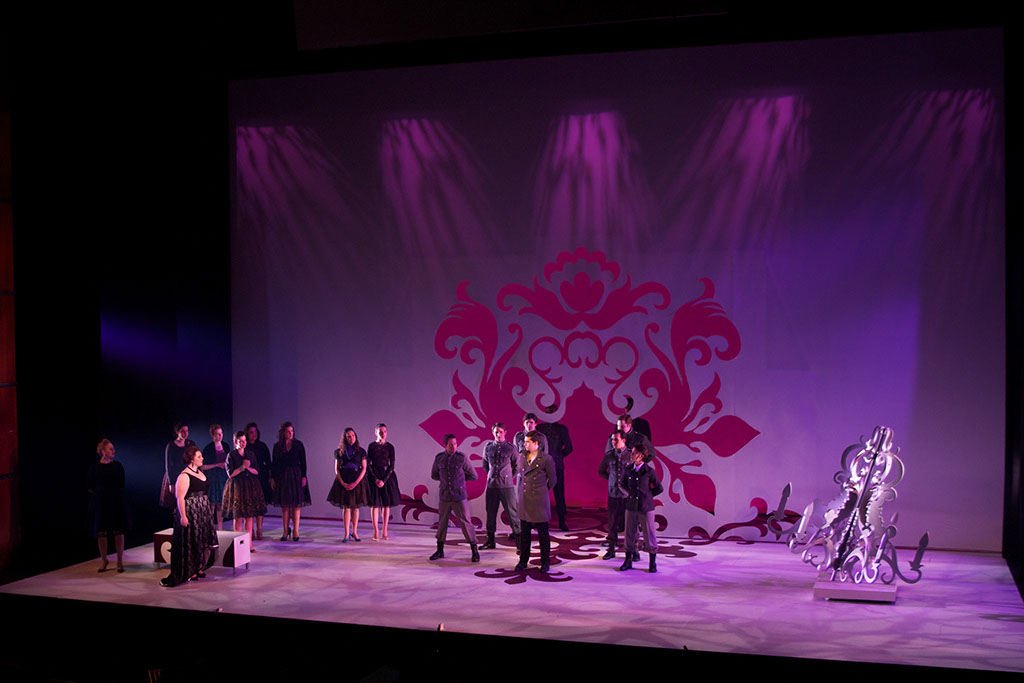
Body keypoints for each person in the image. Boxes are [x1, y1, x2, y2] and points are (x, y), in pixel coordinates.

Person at [161, 445, 217, 587]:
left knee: (200, 540)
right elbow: (180, 498)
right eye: (199, 456)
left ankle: (198, 567)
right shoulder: (184, 476)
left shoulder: (199, 472)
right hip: (191, 511)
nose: (202, 458)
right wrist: (183, 516)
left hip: (202, 511)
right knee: (191, 541)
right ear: (191, 459)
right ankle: (189, 570)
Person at [429, 434, 479, 562]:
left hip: (459, 496)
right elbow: (434, 475)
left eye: (455, 444)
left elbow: (474, 475)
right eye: (451, 445)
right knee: (442, 524)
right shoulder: (439, 458)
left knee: (466, 523)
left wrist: (460, 480)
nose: (454, 447)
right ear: (445, 445)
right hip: (445, 496)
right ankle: (440, 550)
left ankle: (474, 550)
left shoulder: (462, 458)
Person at [514, 430, 557, 573]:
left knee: (543, 534)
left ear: (536, 443)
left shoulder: (546, 459)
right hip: (525, 499)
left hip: (539, 501)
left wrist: (542, 491)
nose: (524, 444)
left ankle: (545, 561)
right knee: (524, 533)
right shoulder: (522, 456)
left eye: (527, 442)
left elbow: (553, 480)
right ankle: (523, 560)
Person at [618, 442, 662, 573]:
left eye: (635, 453)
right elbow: (622, 484)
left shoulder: (649, 471)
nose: (632, 455)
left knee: (649, 534)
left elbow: (659, 488)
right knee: (629, 533)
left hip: (646, 507)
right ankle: (628, 560)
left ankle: (652, 562)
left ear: (642, 456)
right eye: (632, 453)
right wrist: (630, 494)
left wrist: (647, 496)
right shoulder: (628, 470)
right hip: (631, 506)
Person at [87, 439, 130, 573]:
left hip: (116, 501)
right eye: (110, 449)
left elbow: (122, 484)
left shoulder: (117, 466)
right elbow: (90, 486)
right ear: (103, 451)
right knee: (102, 532)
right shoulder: (94, 468)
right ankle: (104, 560)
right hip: (101, 502)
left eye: (113, 448)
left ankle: (119, 561)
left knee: (118, 531)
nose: (113, 451)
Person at [222, 431, 268, 547]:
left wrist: (248, 468)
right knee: (238, 516)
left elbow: (256, 471)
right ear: (235, 442)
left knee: (249, 516)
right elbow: (230, 474)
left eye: (244, 441)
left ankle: (249, 544)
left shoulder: (250, 454)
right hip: (237, 486)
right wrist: (242, 467)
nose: (243, 443)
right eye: (241, 441)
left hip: (249, 486)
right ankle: (237, 545)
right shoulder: (231, 455)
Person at [480, 422, 520, 549]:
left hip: (506, 487)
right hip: (492, 486)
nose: (498, 434)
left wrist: (508, 478)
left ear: (505, 432)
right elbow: (485, 464)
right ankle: (490, 541)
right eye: (496, 432)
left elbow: (517, 466)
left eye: (501, 432)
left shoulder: (511, 448)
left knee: (512, 514)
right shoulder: (488, 447)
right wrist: (491, 475)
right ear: (493, 433)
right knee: (490, 513)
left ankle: (520, 543)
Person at [271, 421, 311, 541]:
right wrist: (272, 478)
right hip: (283, 476)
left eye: (292, 431)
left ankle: (296, 531)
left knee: (296, 505)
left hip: (296, 476)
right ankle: (285, 530)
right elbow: (274, 464)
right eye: (288, 431)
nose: (290, 433)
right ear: (283, 432)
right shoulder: (277, 446)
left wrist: (304, 476)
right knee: (285, 505)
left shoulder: (298, 445)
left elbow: (303, 462)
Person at [326, 428, 368, 542]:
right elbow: (337, 469)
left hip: (356, 479)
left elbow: (364, 468)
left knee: (355, 507)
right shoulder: (339, 452)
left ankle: (354, 532)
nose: (351, 438)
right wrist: (342, 482)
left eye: (353, 435)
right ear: (345, 438)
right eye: (349, 436)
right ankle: (346, 533)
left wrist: (356, 482)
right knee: (346, 507)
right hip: (344, 479)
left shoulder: (361, 451)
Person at [598, 429, 629, 560]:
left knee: (630, 523)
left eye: (616, 440)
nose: (613, 442)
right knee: (612, 523)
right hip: (613, 494)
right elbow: (601, 471)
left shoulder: (631, 455)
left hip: (627, 495)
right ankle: (611, 549)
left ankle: (633, 550)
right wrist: (612, 480)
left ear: (623, 440)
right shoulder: (609, 455)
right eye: (612, 440)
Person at [366, 424, 401, 541]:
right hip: (374, 476)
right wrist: (375, 479)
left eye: (385, 431)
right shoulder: (371, 446)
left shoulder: (390, 447)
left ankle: (384, 529)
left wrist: (384, 480)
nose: (383, 434)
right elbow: (368, 464)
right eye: (380, 431)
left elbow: (392, 465)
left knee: (386, 504)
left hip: (387, 477)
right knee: (375, 504)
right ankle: (376, 530)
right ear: (376, 433)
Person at [537, 417, 573, 530]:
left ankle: (562, 520)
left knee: (559, 494)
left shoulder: (561, 429)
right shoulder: (540, 428)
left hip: (557, 466)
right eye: (547, 411)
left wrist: (558, 456)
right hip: (542, 466)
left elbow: (569, 448)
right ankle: (538, 520)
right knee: (540, 494)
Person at [245, 422, 273, 540]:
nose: (254, 434)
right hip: (248, 478)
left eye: (255, 432)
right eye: (251, 432)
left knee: (260, 504)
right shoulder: (245, 447)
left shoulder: (262, 446)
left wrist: (270, 477)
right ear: (247, 434)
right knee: (250, 505)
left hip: (261, 477)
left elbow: (269, 463)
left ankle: (259, 529)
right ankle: (250, 530)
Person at [162, 422, 196, 516]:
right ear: (177, 432)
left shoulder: (190, 443)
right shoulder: (171, 446)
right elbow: (169, 465)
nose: (185, 433)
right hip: (177, 475)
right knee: (178, 500)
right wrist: (171, 483)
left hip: (189, 474)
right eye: (182, 431)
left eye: (187, 431)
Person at [201, 425, 229, 530]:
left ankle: (220, 528)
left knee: (221, 504)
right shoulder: (208, 448)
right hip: (213, 479)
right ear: (213, 435)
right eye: (218, 434)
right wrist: (217, 465)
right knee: (212, 505)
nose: (220, 436)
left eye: (221, 433)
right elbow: (203, 466)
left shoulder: (225, 446)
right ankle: (210, 528)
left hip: (223, 478)